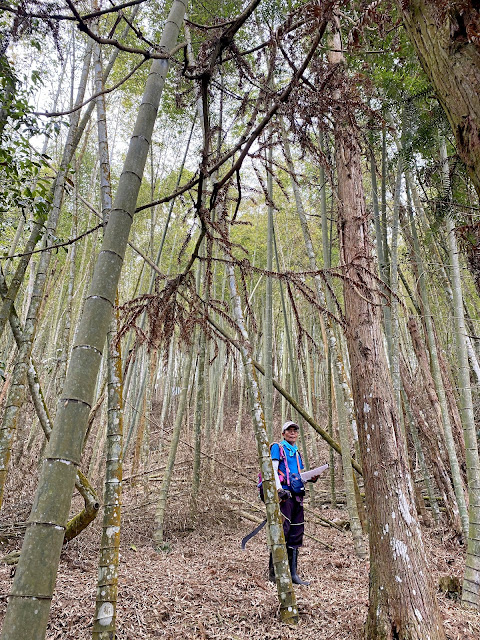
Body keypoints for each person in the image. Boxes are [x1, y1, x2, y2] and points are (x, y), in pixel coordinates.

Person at [269, 420, 318, 585]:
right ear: (283, 433)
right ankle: (274, 573)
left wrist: (310, 479)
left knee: (296, 533)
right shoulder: (278, 447)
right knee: (282, 531)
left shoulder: (296, 452)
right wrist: (278, 490)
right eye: (289, 430)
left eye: (295, 431)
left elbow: (297, 477)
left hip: (297, 496)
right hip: (284, 496)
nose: (292, 433)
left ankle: (293, 574)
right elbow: (273, 470)